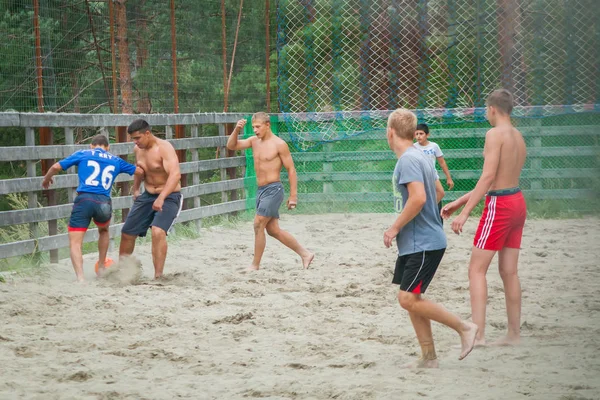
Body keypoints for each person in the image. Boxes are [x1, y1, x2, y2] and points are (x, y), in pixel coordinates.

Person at [384, 108, 478, 367]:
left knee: (407, 298)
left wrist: (395, 227)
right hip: (418, 239)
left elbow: (419, 198)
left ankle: (464, 327)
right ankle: (428, 357)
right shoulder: (421, 155)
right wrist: (427, 218)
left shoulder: (408, 160)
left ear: (390, 132)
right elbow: (438, 191)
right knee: (411, 300)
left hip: (422, 242)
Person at [442, 89, 527, 346]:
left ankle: (478, 335)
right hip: (517, 203)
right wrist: (459, 202)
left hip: (500, 206)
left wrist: (465, 213)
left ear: (492, 109)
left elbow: (489, 178)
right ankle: (513, 334)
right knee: (509, 272)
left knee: (476, 270)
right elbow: (499, 179)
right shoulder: (518, 136)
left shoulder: (494, 134)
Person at [41, 134, 144, 283]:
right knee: (104, 230)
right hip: (103, 202)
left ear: (91, 145)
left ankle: (81, 278)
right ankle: (101, 267)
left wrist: (47, 178)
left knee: (75, 242)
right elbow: (139, 172)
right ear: (108, 147)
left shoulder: (83, 153)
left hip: (84, 200)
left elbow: (56, 166)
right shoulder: (115, 160)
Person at [226, 112, 314, 271]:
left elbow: (291, 170)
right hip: (261, 190)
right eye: (253, 127)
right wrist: (236, 129)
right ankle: (305, 254)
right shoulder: (254, 141)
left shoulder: (279, 144)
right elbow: (231, 146)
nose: (255, 130)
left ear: (268, 125)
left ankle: (255, 265)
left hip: (274, 189)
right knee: (273, 230)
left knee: (258, 223)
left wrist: (293, 196)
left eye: (258, 127)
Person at [119, 119, 183, 279]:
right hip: (147, 195)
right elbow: (140, 170)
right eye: (133, 139)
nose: (135, 142)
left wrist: (161, 198)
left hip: (168, 196)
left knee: (157, 231)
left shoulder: (164, 148)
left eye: (138, 138)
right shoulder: (137, 150)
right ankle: (121, 271)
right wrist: (135, 189)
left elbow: (175, 175)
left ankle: (158, 275)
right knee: (127, 232)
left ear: (147, 133)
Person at [414, 123, 454, 190]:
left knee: (440, 193)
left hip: (432, 176)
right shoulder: (413, 147)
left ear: (427, 135)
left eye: (421, 134)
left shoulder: (434, 146)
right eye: (416, 134)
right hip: (419, 178)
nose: (418, 136)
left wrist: (449, 178)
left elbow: (442, 162)